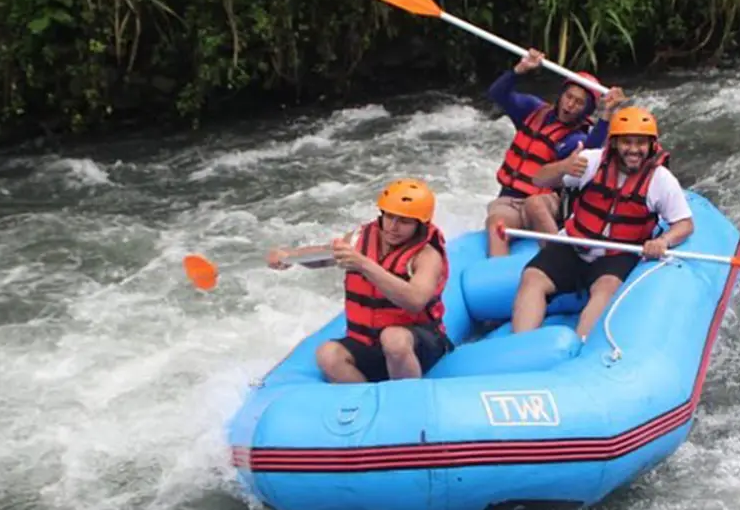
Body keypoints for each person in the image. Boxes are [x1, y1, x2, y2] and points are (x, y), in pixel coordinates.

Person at [510, 106, 694, 340]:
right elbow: (538, 178)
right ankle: (520, 345)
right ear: (615, 143)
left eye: (641, 143)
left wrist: (662, 240)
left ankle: (580, 351)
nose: (634, 150)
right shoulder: (591, 161)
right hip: (574, 245)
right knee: (532, 277)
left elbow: (685, 224)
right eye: (627, 142)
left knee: (606, 289)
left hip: (617, 255)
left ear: (651, 145)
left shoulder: (661, 180)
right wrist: (562, 167)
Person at [266, 179, 452, 383]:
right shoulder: (360, 238)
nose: (393, 227)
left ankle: (404, 400)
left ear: (420, 224)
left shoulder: (427, 255)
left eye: (404, 221)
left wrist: (364, 264)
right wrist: (288, 255)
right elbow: (325, 255)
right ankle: (365, 402)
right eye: (389, 217)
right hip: (369, 341)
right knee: (327, 354)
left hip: (416, 343)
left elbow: (415, 300)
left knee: (393, 339)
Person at [485, 48, 625, 257]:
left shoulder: (575, 137)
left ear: (586, 110)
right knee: (496, 224)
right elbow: (497, 94)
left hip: (546, 203)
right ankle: (495, 276)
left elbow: (590, 150)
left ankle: (560, 261)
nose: (570, 105)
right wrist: (520, 70)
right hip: (510, 200)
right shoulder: (531, 110)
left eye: (579, 102)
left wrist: (607, 114)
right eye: (569, 97)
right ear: (561, 95)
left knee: (534, 204)